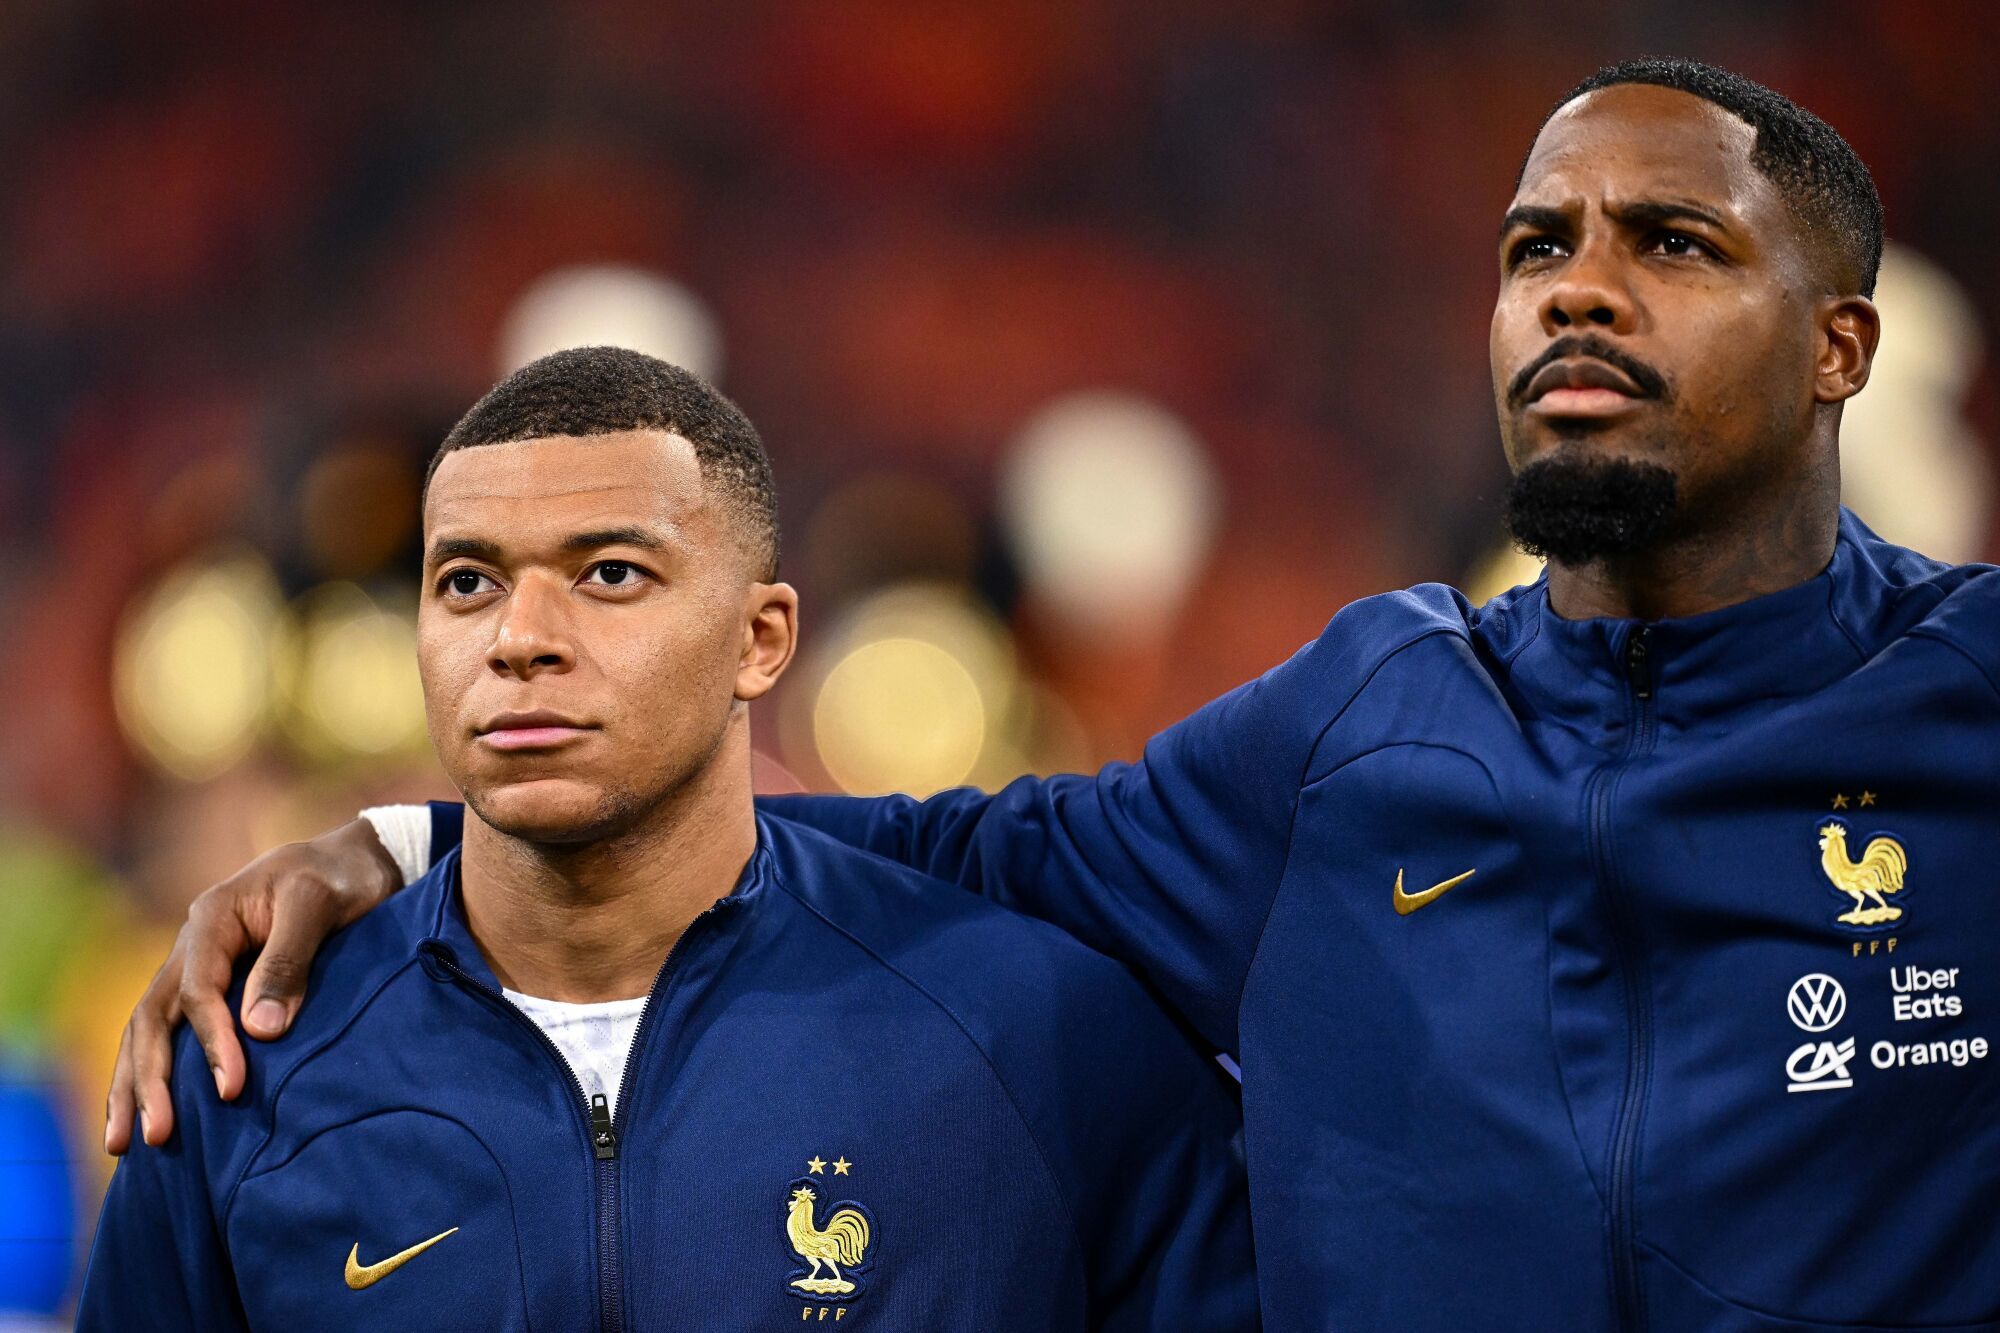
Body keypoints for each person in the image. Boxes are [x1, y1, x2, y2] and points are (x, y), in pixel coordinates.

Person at [109, 58, 2000, 1329]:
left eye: (1671, 242)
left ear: (1842, 345)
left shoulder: (1972, 696)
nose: (1577, 289)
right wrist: (418, 840)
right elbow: (927, 853)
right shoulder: (1362, 721)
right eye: (1535, 248)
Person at [81, 347, 1256, 1331]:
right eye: (468, 582)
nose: (520, 637)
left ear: (760, 639)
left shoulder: (1042, 1043)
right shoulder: (242, 1070)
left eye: (608, 572)